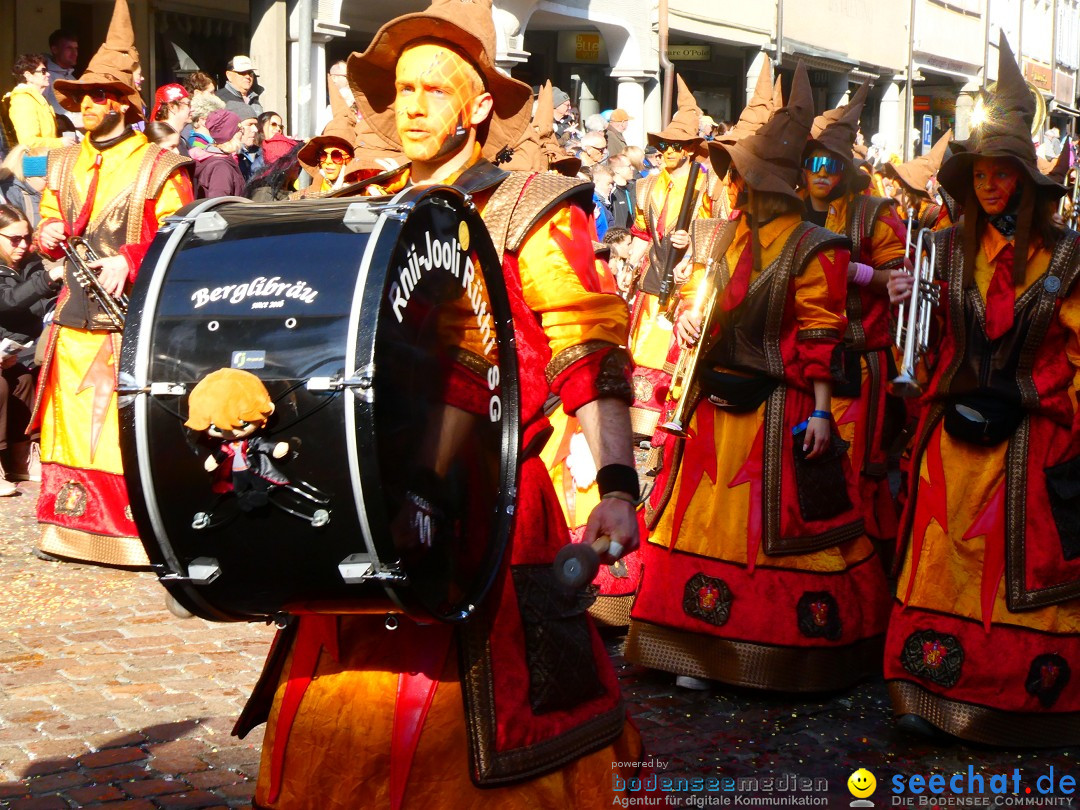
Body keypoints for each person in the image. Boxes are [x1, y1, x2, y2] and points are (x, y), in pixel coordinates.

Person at [234, 0, 643, 806]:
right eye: (403, 90)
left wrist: (618, 484)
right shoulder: (365, 202)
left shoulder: (529, 207)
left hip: (488, 512)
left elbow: (586, 349)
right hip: (365, 500)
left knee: (481, 735)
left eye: (434, 90)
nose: (412, 106)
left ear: (480, 107)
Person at [625, 64, 890, 694]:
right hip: (718, 404)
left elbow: (820, 333)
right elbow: (707, 301)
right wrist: (693, 324)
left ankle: (764, 649)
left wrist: (823, 413)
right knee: (702, 520)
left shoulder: (817, 246)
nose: (732, 183)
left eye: (741, 175)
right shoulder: (728, 237)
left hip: (782, 409)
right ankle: (695, 645)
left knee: (773, 532)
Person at [884, 34, 1080, 746]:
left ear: (1027, 179)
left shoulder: (1067, 257)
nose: (991, 185)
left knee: (1015, 568)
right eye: (981, 174)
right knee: (939, 561)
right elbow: (930, 346)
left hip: (1034, 438)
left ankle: (1020, 698)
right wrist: (900, 299)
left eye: (1004, 172)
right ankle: (924, 687)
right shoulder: (943, 247)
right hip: (953, 437)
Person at [30, 0, 193, 567]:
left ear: (124, 102)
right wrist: (48, 230)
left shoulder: (159, 165)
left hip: (128, 322)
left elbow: (179, 239)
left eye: (97, 96)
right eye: (79, 97)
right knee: (66, 425)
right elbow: (50, 216)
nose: (85, 106)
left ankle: (127, 531)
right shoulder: (63, 161)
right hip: (72, 316)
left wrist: (131, 256)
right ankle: (64, 526)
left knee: (116, 425)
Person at [801, 83, 908, 559]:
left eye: (833, 165)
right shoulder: (785, 208)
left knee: (850, 470)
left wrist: (856, 272)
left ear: (846, 171)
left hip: (857, 365)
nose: (823, 174)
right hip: (797, 362)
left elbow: (900, 277)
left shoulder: (874, 214)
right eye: (815, 163)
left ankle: (857, 572)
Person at [626, 76, 711, 442]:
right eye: (665, 144)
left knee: (671, 349)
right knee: (640, 346)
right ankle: (636, 419)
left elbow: (713, 230)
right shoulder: (646, 184)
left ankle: (664, 417)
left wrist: (691, 242)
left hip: (684, 278)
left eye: (677, 145)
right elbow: (642, 232)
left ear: (690, 149)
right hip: (651, 274)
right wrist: (628, 266)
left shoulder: (706, 185)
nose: (669, 151)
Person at [0, 204, 62, 493]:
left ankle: (20, 459)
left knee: (24, 380)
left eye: (26, 238)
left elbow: (42, 304)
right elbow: (8, 301)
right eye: (14, 239)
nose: (23, 246)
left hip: (16, 350)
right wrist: (47, 279)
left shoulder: (29, 262)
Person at [881, 130, 955, 231]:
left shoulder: (931, 214)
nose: (890, 181)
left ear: (905, 186)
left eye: (896, 178)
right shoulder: (898, 210)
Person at [6, 54, 74, 151]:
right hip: (34, 163)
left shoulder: (37, 99)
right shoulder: (23, 101)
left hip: (42, 158)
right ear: (28, 76)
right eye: (43, 71)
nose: (48, 74)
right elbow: (28, 142)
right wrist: (60, 143)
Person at [191, 108, 246, 199]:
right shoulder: (220, 167)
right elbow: (219, 204)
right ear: (232, 134)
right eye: (240, 130)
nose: (242, 133)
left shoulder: (218, 160)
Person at [43, 29, 79, 129]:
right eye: (69, 48)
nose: (74, 53)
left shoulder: (73, 78)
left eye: (76, 48)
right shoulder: (45, 78)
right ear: (55, 50)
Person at [150, 83, 191, 156]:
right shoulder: (161, 140)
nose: (192, 109)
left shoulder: (182, 140)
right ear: (172, 107)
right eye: (188, 104)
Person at [591, 163, 615, 239]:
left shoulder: (603, 203)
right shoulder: (596, 205)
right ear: (595, 182)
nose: (611, 187)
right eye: (608, 184)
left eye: (612, 184)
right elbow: (603, 234)